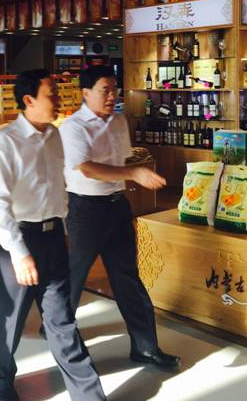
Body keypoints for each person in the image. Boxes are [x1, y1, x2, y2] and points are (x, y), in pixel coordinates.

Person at [0, 69, 123, 401]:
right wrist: (19, 253)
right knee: (11, 319)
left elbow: (58, 187)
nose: (59, 100)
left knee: (61, 319)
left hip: (52, 237)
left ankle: (88, 397)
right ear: (28, 99)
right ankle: (0, 379)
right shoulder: (5, 142)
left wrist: (61, 229)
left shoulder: (54, 136)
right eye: (52, 95)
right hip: (17, 241)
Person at [59, 65, 180, 370]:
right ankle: (58, 334)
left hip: (116, 206)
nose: (112, 95)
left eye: (115, 89)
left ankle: (145, 348)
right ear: (86, 93)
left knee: (128, 278)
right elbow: (87, 168)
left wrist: (135, 173)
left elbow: (122, 160)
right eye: (105, 90)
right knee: (75, 276)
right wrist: (133, 173)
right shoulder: (73, 127)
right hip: (85, 210)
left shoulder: (118, 121)